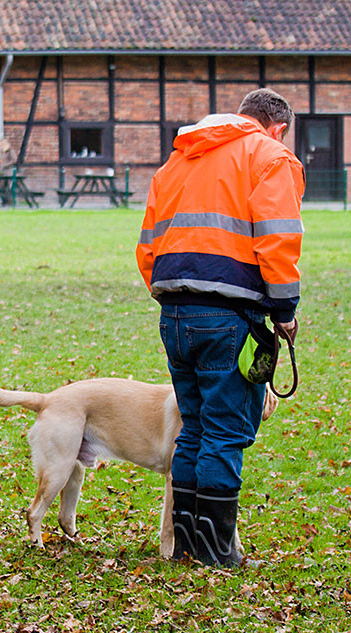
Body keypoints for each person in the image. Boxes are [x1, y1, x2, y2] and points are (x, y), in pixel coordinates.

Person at [136, 88, 303, 567]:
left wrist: (171, 297)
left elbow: (147, 245)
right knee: (226, 432)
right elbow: (277, 237)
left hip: (174, 312)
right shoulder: (270, 156)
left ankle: (186, 544)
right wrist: (284, 308)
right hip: (229, 316)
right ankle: (215, 551)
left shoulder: (177, 162)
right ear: (279, 128)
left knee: (194, 428)